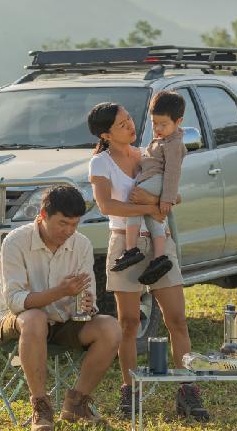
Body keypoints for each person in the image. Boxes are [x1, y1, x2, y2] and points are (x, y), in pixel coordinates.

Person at [86, 102, 210, 422]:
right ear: (106, 134)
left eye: (130, 120)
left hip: (159, 241)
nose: (131, 126)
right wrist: (149, 207)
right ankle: (130, 390)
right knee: (128, 323)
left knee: (177, 320)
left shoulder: (148, 153)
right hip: (125, 244)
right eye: (122, 124)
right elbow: (105, 204)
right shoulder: (100, 163)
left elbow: (175, 196)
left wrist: (152, 203)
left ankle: (188, 389)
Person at [0, 185, 122, 431]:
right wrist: (60, 292)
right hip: (17, 322)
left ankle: (76, 403)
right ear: (42, 215)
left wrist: (87, 305)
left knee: (111, 327)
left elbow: (88, 294)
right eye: (63, 223)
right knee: (34, 318)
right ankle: (40, 406)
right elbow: (16, 301)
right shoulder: (15, 242)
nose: (69, 231)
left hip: (63, 320)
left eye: (74, 224)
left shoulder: (81, 244)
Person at [111, 91, 187, 288]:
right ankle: (160, 257)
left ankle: (131, 249)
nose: (158, 128)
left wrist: (166, 199)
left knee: (134, 203)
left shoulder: (173, 144)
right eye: (155, 123)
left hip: (159, 180)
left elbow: (172, 173)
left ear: (178, 121)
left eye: (164, 124)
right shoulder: (163, 140)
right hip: (154, 179)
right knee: (152, 217)